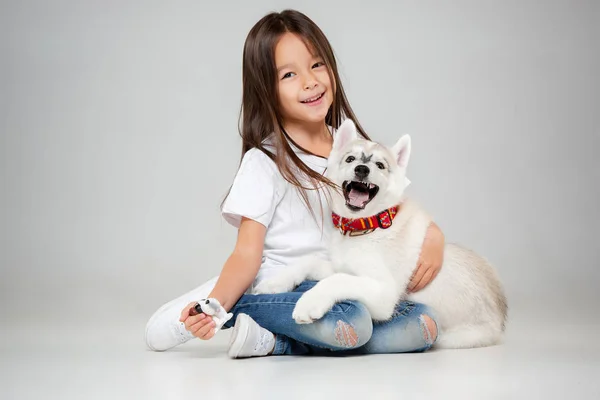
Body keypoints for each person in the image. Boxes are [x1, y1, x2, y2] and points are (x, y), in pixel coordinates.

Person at [145, 9, 445, 358]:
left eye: (317, 65)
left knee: (423, 324)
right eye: (289, 74)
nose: (310, 81)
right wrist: (217, 303)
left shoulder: (351, 150)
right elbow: (246, 253)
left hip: (337, 281)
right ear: (267, 91)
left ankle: (277, 342)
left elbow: (396, 205)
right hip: (285, 286)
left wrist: (434, 236)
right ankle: (238, 309)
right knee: (353, 320)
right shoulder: (266, 161)